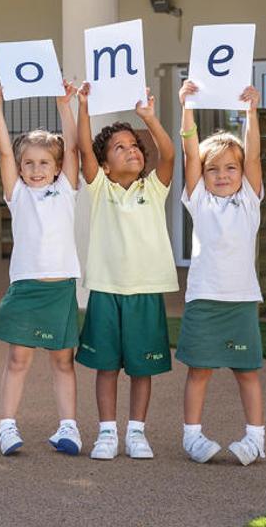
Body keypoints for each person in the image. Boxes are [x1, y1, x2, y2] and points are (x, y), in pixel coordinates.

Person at [75, 85, 177, 461]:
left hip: (145, 292)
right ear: (105, 165)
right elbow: (84, 149)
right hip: (106, 290)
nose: (131, 149)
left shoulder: (155, 188)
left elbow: (169, 154)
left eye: (134, 144)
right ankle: (107, 432)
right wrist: (83, 106)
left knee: (141, 369)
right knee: (106, 368)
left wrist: (148, 117)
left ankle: (136, 432)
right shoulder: (100, 189)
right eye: (120, 147)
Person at [0, 81, 82, 457]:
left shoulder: (66, 188)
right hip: (26, 289)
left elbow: (73, 148)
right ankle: (7, 426)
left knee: (63, 362)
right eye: (29, 163)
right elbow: (4, 152)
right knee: (18, 359)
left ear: (57, 168)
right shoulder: (18, 193)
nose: (36, 169)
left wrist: (64, 104)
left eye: (44, 163)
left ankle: (69, 426)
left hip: (59, 289)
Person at [177, 81, 266, 466]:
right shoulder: (199, 199)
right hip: (203, 300)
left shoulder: (249, 199)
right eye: (212, 169)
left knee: (247, 373)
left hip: (241, 301)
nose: (222, 174)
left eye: (231, 167)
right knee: (199, 371)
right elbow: (189, 152)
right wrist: (187, 106)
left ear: (242, 172)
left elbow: (254, 156)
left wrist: (251, 113)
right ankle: (192, 437)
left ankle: (256, 438)